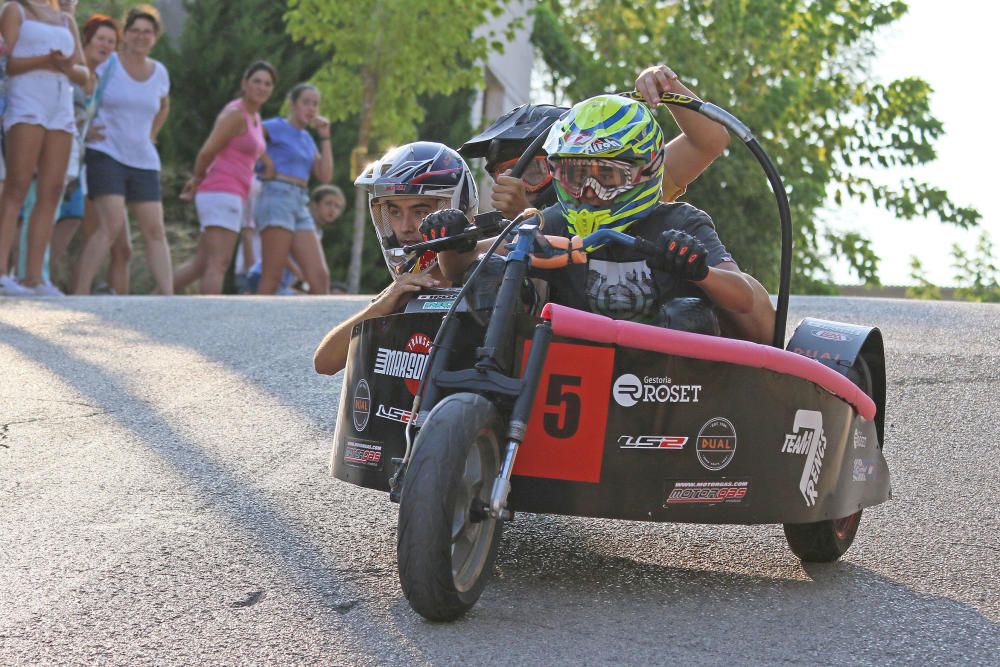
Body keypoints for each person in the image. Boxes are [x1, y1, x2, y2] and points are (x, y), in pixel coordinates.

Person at [430, 94, 755, 335]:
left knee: (690, 314)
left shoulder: (680, 221)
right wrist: (451, 242)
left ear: (644, 171)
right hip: (569, 373)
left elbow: (744, 300)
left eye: (607, 178)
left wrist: (701, 272)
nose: (588, 191)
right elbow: (464, 266)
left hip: (664, 388)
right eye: (575, 175)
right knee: (493, 276)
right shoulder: (553, 221)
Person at [313, 141, 478, 376]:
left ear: (456, 207)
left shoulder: (483, 272)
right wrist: (384, 304)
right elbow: (325, 363)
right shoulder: (405, 286)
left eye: (420, 212)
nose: (404, 228)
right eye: (394, 212)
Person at [73, 4, 171, 295]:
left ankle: (169, 297)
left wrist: (152, 133)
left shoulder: (160, 72)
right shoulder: (108, 63)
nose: (141, 37)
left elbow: (164, 104)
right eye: (135, 31)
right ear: (125, 34)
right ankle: (79, 294)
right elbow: (81, 94)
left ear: (155, 37)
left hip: (143, 159)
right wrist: (85, 127)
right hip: (106, 153)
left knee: (155, 230)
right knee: (111, 225)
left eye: (148, 32)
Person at [0, 0, 88, 296]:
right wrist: (43, 61)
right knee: (17, 187)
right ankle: (1, 272)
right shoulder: (15, 10)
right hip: (27, 103)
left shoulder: (65, 18)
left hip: (60, 108)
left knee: (52, 191)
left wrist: (65, 66)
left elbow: (84, 73)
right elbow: (8, 63)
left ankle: (34, 277)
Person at [173, 61, 275, 295]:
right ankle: (209, 320)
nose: (262, 87)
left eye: (268, 84)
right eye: (257, 81)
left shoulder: (255, 117)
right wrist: (197, 179)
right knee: (218, 263)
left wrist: (268, 165)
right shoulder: (235, 114)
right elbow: (207, 152)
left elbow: (251, 151)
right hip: (221, 191)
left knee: (201, 264)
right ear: (244, 84)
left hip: (232, 193)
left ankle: (153, 301)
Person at [48, 12, 119, 286]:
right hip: (54, 147)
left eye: (111, 42)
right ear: (86, 40)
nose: (105, 45)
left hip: (77, 158)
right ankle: (22, 273)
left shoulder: (98, 81)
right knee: (43, 210)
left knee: (73, 216)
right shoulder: (73, 68)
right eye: (101, 39)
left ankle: (43, 272)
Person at [254, 83, 333, 295]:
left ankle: (323, 329)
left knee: (319, 277)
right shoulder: (275, 126)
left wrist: (325, 136)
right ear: (292, 104)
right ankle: (251, 326)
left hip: (300, 202)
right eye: (305, 102)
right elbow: (246, 137)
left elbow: (325, 176)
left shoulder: (307, 139)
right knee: (272, 277)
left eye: (315, 104)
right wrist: (266, 163)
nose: (311, 108)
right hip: (276, 196)